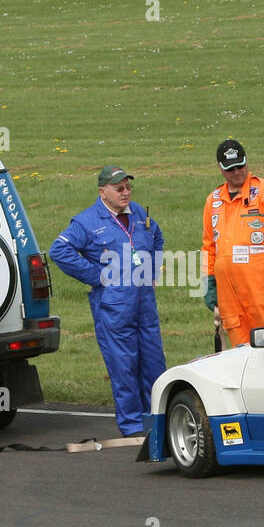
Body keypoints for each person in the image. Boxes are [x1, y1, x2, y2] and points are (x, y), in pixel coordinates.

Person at [50, 166, 166, 437]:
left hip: (144, 302)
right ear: (103, 192)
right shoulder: (86, 222)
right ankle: (133, 425)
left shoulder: (138, 213)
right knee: (124, 365)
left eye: (128, 188)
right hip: (113, 306)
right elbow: (60, 250)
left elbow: (157, 237)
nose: (126, 193)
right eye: (119, 189)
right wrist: (97, 276)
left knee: (153, 363)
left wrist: (152, 270)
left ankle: (157, 422)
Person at [201, 139, 264, 347]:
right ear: (219, 168)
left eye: (240, 166)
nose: (236, 172)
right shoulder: (213, 201)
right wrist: (208, 284)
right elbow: (208, 246)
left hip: (261, 290)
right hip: (229, 297)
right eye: (230, 168)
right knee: (240, 354)